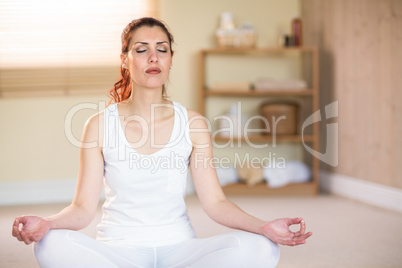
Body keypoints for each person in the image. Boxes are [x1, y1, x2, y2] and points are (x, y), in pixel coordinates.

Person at [12, 17, 312, 268]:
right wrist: (48, 222)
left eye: (162, 50)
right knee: (50, 245)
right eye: (141, 50)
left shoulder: (193, 123)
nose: (153, 58)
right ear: (125, 60)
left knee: (263, 248)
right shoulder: (99, 125)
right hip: (118, 252)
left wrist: (263, 226)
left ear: (170, 60)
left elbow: (216, 202)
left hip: (179, 250)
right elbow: (82, 209)